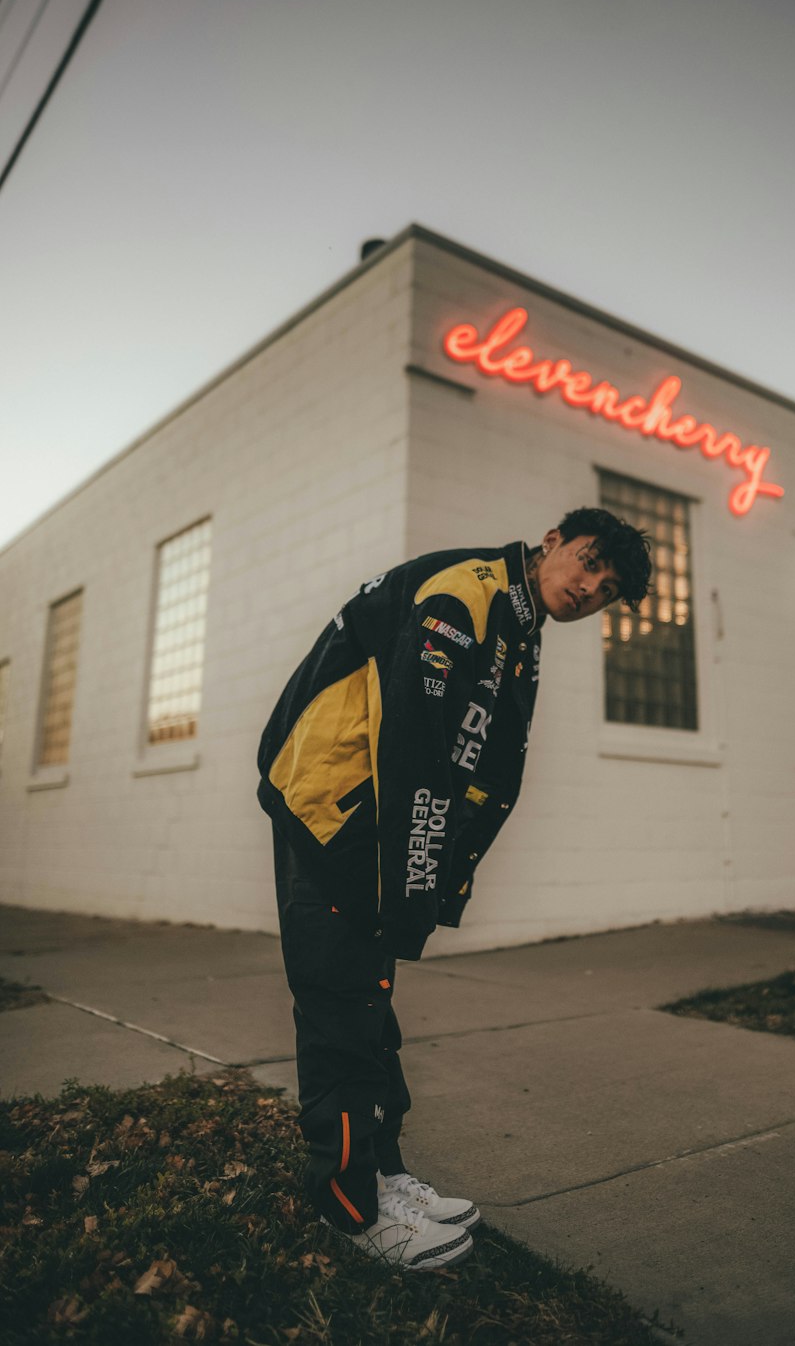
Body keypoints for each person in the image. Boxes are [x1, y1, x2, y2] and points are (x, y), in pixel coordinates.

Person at [257, 508, 651, 1270]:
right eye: (590, 561)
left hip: (379, 827)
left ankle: (386, 1176)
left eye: (607, 589)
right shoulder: (464, 596)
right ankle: (352, 1210)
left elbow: (490, 772)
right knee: (342, 1008)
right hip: (335, 811)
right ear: (552, 542)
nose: (591, 587)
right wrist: (412, 883)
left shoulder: (519, 626)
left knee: (370, 1006)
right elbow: (415, 746)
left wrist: (436, 883)